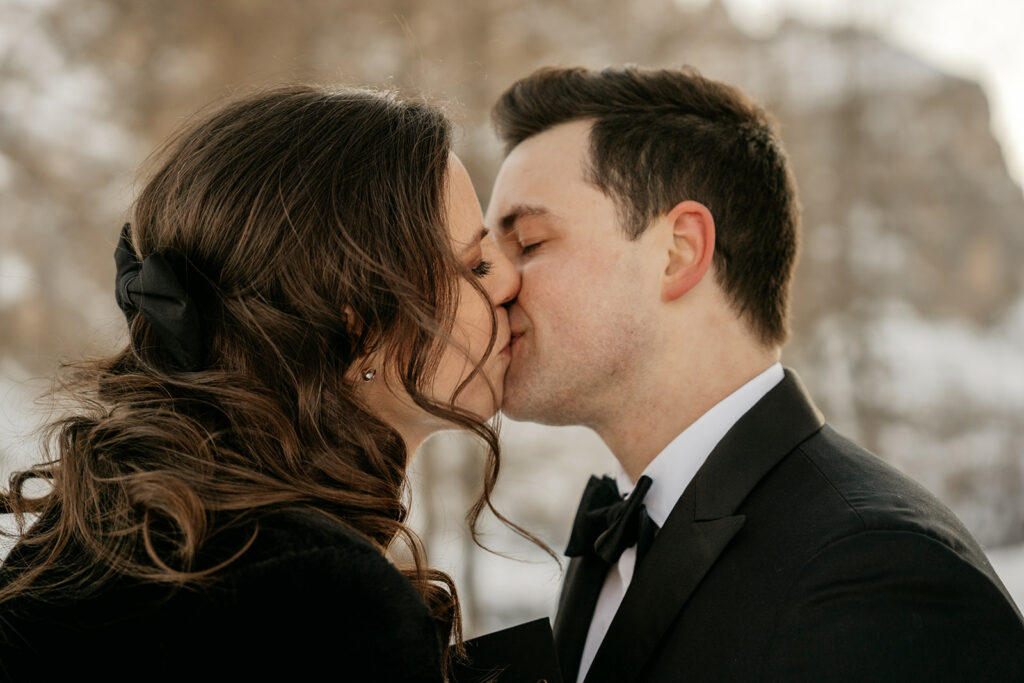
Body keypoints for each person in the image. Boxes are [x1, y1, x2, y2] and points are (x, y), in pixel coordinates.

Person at [484, 66, 1024, 682]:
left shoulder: (876, 570)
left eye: (527, 243)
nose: (495, 284)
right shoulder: (614, 544)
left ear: (678, 252)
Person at [0, 85, 521, 681]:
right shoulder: (312, 598)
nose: (507, 281)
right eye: (474, 266)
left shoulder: (106, 534)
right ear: (356, 332)